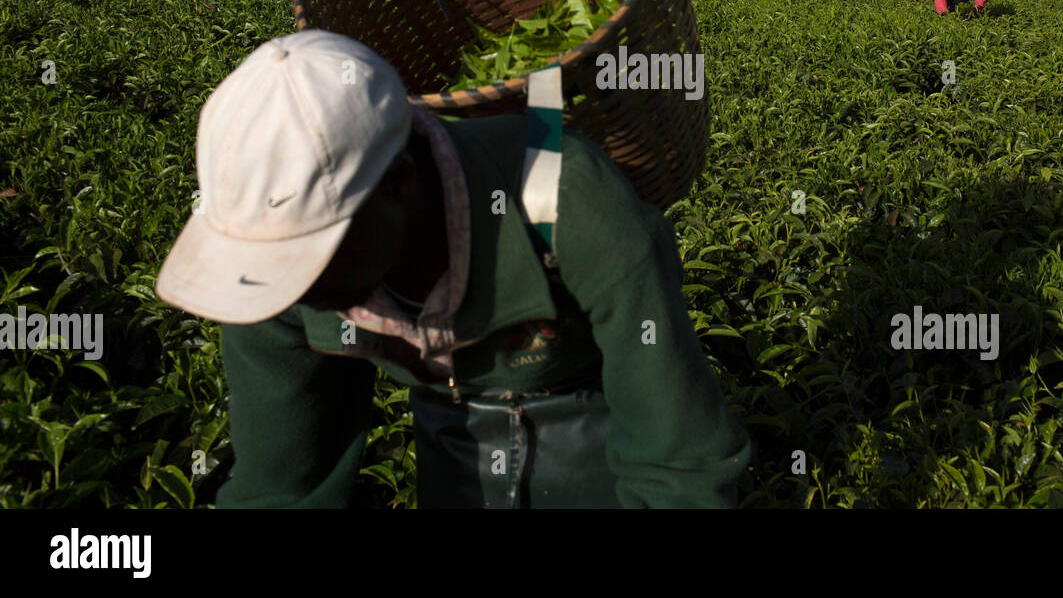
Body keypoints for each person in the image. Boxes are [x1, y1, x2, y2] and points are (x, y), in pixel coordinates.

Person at [156, 29, 752, 508]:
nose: (295, 286)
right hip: (455, 442)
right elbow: (280, 483)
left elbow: (677, 462)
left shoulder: (569, 199)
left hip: (595, 425)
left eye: (313, 253)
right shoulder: (265, 280)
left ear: (397, 185)